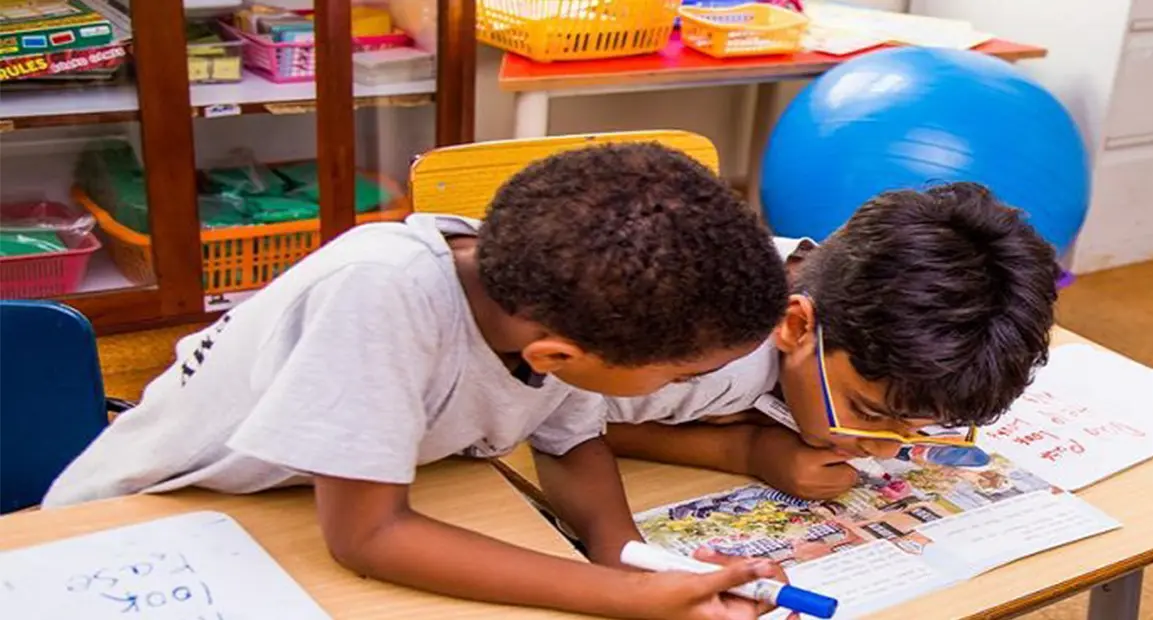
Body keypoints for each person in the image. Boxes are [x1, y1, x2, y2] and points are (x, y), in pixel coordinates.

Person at [45, 143, 798, 620]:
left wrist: (633, 558)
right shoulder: (381, 291)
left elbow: (569, 444)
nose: (694, 384)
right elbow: (369, 536)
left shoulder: (556, 297)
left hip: (298, 506)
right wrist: (626, 598)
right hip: (138, 532)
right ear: (557, 355)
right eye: (682, 373)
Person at [599, 182, 1060, 500]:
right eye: (868, 412)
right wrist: (746, 450)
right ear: (797, 328)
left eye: (919, 427)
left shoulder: (850, 309)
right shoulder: (705, 354)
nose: (881, 450)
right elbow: (559, 423)